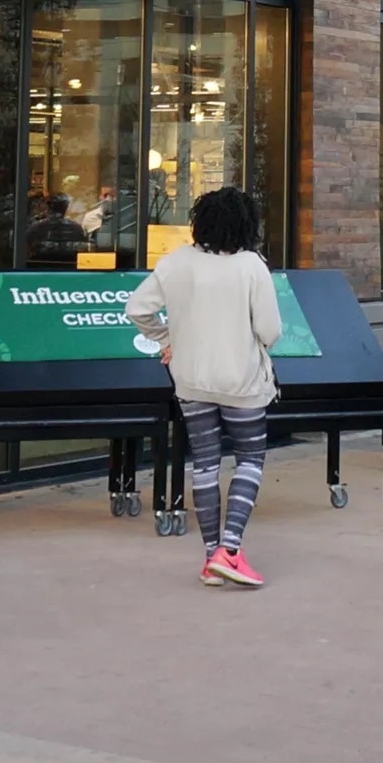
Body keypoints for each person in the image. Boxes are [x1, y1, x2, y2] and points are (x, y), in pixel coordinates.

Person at [126, 187, 285, 589]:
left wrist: (166, 339)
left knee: (205, 464)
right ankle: (229, 551)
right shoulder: (252, 266)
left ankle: (210, 557)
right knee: (249, 459)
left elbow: (137, 309)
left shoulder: (176, 262)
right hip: (242, 382)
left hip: (190, 379)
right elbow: (270, 331)